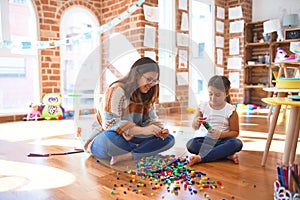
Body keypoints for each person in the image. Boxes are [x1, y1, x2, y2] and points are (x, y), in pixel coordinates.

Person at [84, 57, 175, 165]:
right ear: (136, 74)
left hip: (132, 138)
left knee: (169, 139)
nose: (151, 84)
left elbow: (151, 119)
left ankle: (128, 155)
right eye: (149, 79)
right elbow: (109, 124)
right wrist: (143, 131)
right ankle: (143, 150)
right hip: (107, 137)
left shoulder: (147, 94)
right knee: (110, 141)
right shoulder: (117, 90)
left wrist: (159, 130)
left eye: (155, 81)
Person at [186, 75, 243, 166]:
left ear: (226, 93)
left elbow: (235, 132)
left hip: (223, 140)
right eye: (210, 94)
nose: (213, 98)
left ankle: (201, 158)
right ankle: (224, 154)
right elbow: (195, 127)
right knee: (191, 144)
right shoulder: (203, 106)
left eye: (217, 95)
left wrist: (220, 134)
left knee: (237, 143)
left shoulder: (230, 110)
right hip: (206, 140)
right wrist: (196, 122)